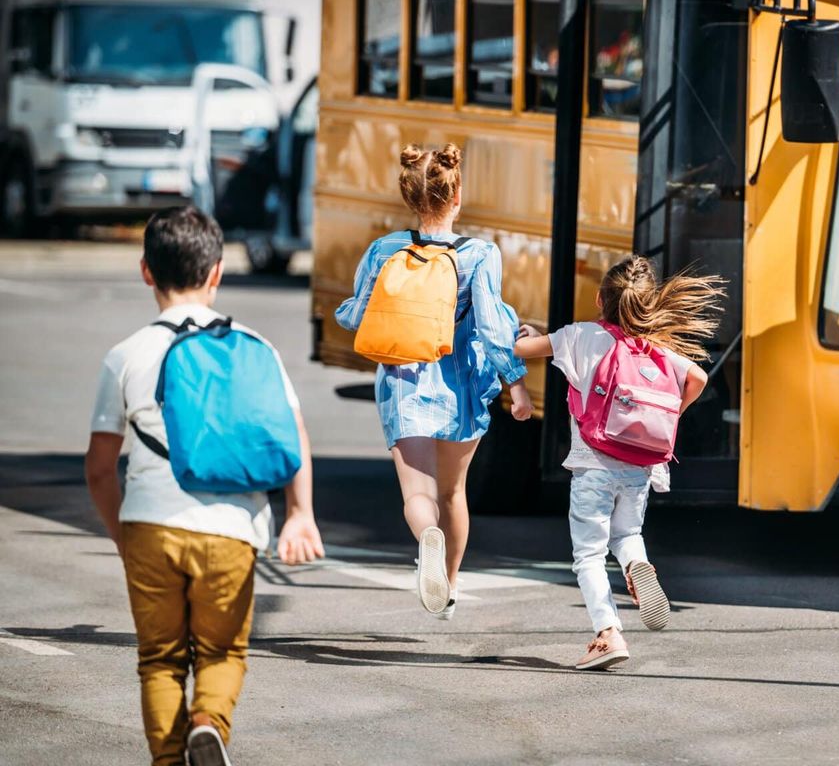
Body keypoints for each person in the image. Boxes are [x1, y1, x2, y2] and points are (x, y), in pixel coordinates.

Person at [84, 206, 325, 766]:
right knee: (221, 650)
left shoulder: (125, 355)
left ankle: (169, 759)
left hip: (149, 525)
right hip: (231, 529)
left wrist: (124, 536)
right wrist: (300, 513)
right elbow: (293, 436)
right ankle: (208, 724)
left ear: (146, 271)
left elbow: (98, 468)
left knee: (161, 659)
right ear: (217, 272)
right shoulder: (254, 347)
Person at [335, 143, 531, 620]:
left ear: (409, 197)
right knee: (453, 494)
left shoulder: (385, 250)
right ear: (456, 195)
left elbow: (356, 315)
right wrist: (517, 384)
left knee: (418, 497)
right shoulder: (480, 255)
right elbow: (490, 328)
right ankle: (450, 585)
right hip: (462, 388)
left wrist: (349, 312)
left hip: (404, 384)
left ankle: (426, 537)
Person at [513, 255, 724, 670]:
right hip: (639, 466)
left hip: (594, 464)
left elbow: (520, 350)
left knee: (588, 554)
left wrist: (531, 334)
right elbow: (698, 377)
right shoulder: (658, 348)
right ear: (648, 305)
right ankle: (637, 565)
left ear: (598, 299)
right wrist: (669, 414)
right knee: (627, 534)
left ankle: (608, 633)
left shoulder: (581, 336)